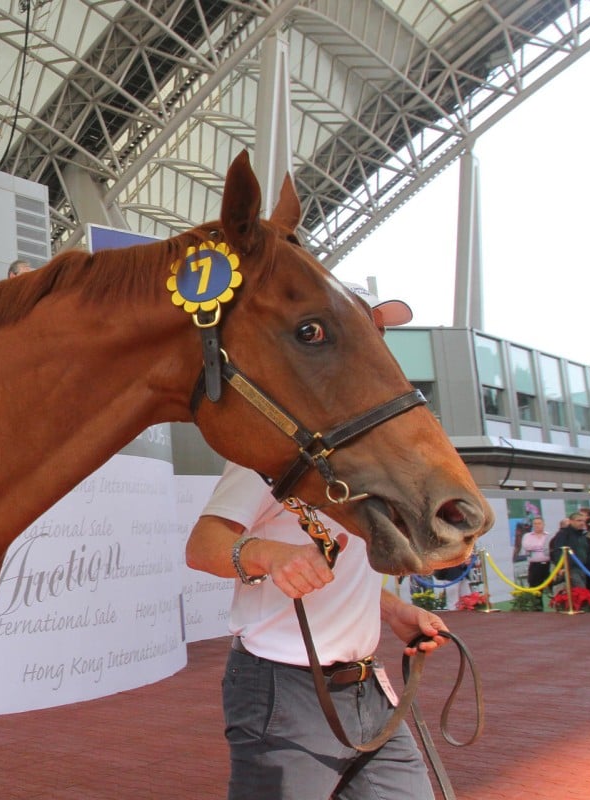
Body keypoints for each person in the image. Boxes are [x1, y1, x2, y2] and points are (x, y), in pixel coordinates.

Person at [184, 285, 450, 799]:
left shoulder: (372, 457)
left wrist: (394, 613)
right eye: (364, 328)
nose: (377, 340)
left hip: (368, 691)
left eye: (381, 329)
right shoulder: (272, 452)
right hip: (281, 690)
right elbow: (202, 545)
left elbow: (348, 571)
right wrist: (266, 554)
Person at [548, 511, 590, 590]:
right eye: (579, 520)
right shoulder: (563, 534)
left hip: (583, 568)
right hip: (571, 569)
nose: (582, 523)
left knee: (583, 592)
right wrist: (562, 567)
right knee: (580, 591)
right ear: (571, 521)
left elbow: (588, 554)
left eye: (583, 521)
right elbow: (558, 551)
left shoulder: (582, 535)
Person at [520, 517, 552, 588]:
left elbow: (551, 547)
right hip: (535, 565)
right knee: (535, 587)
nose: (537, 525)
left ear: (543, 525)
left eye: (539, 523)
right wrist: (542, 547)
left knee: (552, 585)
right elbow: (527, 546)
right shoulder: (527, 536)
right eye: (535, 524)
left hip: (549, 565)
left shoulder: (549, 536)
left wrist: (535, 547)